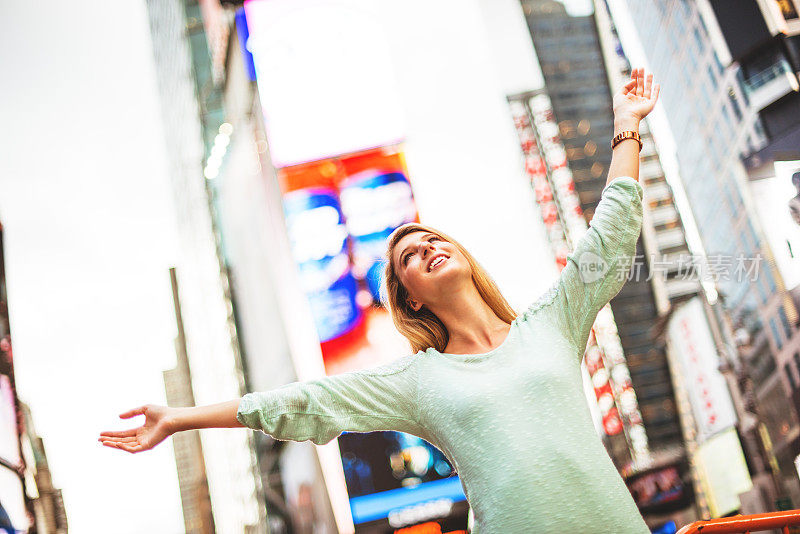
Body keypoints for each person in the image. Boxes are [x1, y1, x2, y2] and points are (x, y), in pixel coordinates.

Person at [100, 68, 660, 533]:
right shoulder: (420, 381)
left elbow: (607, 243)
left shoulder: (549, 325)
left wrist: (626, 129)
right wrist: (179, 419)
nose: (428, 249)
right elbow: (306, 402)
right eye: (410, 258)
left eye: (433, 240)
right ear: (409, 300)